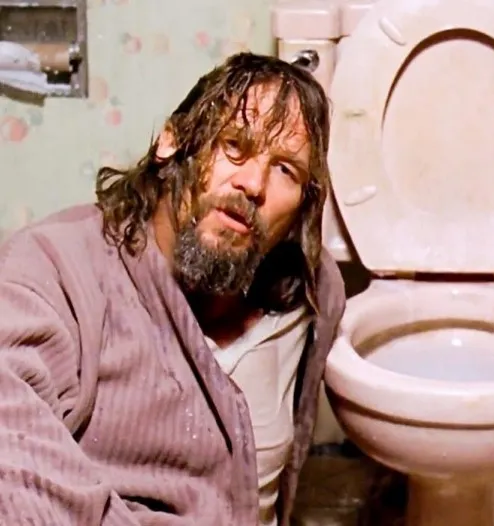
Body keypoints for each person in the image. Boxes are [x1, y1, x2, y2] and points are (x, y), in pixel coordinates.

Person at [0, 52, 345, 526]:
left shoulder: (311, 293)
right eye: (234, 145)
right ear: (172, 140)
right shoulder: (52, 268)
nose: (253, 183)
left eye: (286, 169)